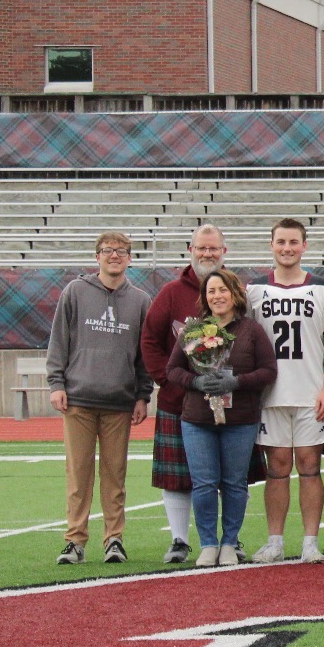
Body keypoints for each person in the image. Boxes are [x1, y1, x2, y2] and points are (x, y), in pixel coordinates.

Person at [47, 232, 152, 565]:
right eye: (108, 251)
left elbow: (144, 355)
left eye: (121, 251)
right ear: (97, 257)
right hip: (78, 398)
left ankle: (114, 540)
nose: (114, 256)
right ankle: (75, 541)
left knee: (114, 474)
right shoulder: (75, 292)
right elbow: (59, 340)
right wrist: (56, 383)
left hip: (119, 402)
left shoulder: (140, 300)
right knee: (78, 474)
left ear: (130, 259)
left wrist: (142, 394)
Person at [164, 268, 276, 567]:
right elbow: (172, 370)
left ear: (235, 294)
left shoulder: (251, 330)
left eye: (222, 290)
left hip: (240, 419)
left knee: (234, 484)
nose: (217, 296)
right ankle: (208, 544)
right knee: (203, 483)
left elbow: (268, 371)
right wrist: (196, 382)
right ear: (205, 297)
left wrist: (236, 382)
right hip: (197, 419)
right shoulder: (193, 330)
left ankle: (229, 542)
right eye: (211, 291)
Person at [248, 218, 324, 565]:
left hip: (310, 393)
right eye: (281, 242)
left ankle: (309, 542)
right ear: (272, 245)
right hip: (270, 394)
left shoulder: (321, 289)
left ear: (304, 246)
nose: (287, 248)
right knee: (276, 467)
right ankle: (274, 541)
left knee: (309, 465)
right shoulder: (254, 290)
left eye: (293, 242)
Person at [142, 223, 227, 563]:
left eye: (213, 248)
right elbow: (149, 339)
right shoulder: (171, 293)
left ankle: (229, 540)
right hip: (179, 400)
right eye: (201, 248)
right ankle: (179, 540)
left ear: (224, 251)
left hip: (226, 402)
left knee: (229, 476)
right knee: (177, 475)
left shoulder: (233, 291)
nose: (207, 254)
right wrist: (169, 379)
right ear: (190, 250)